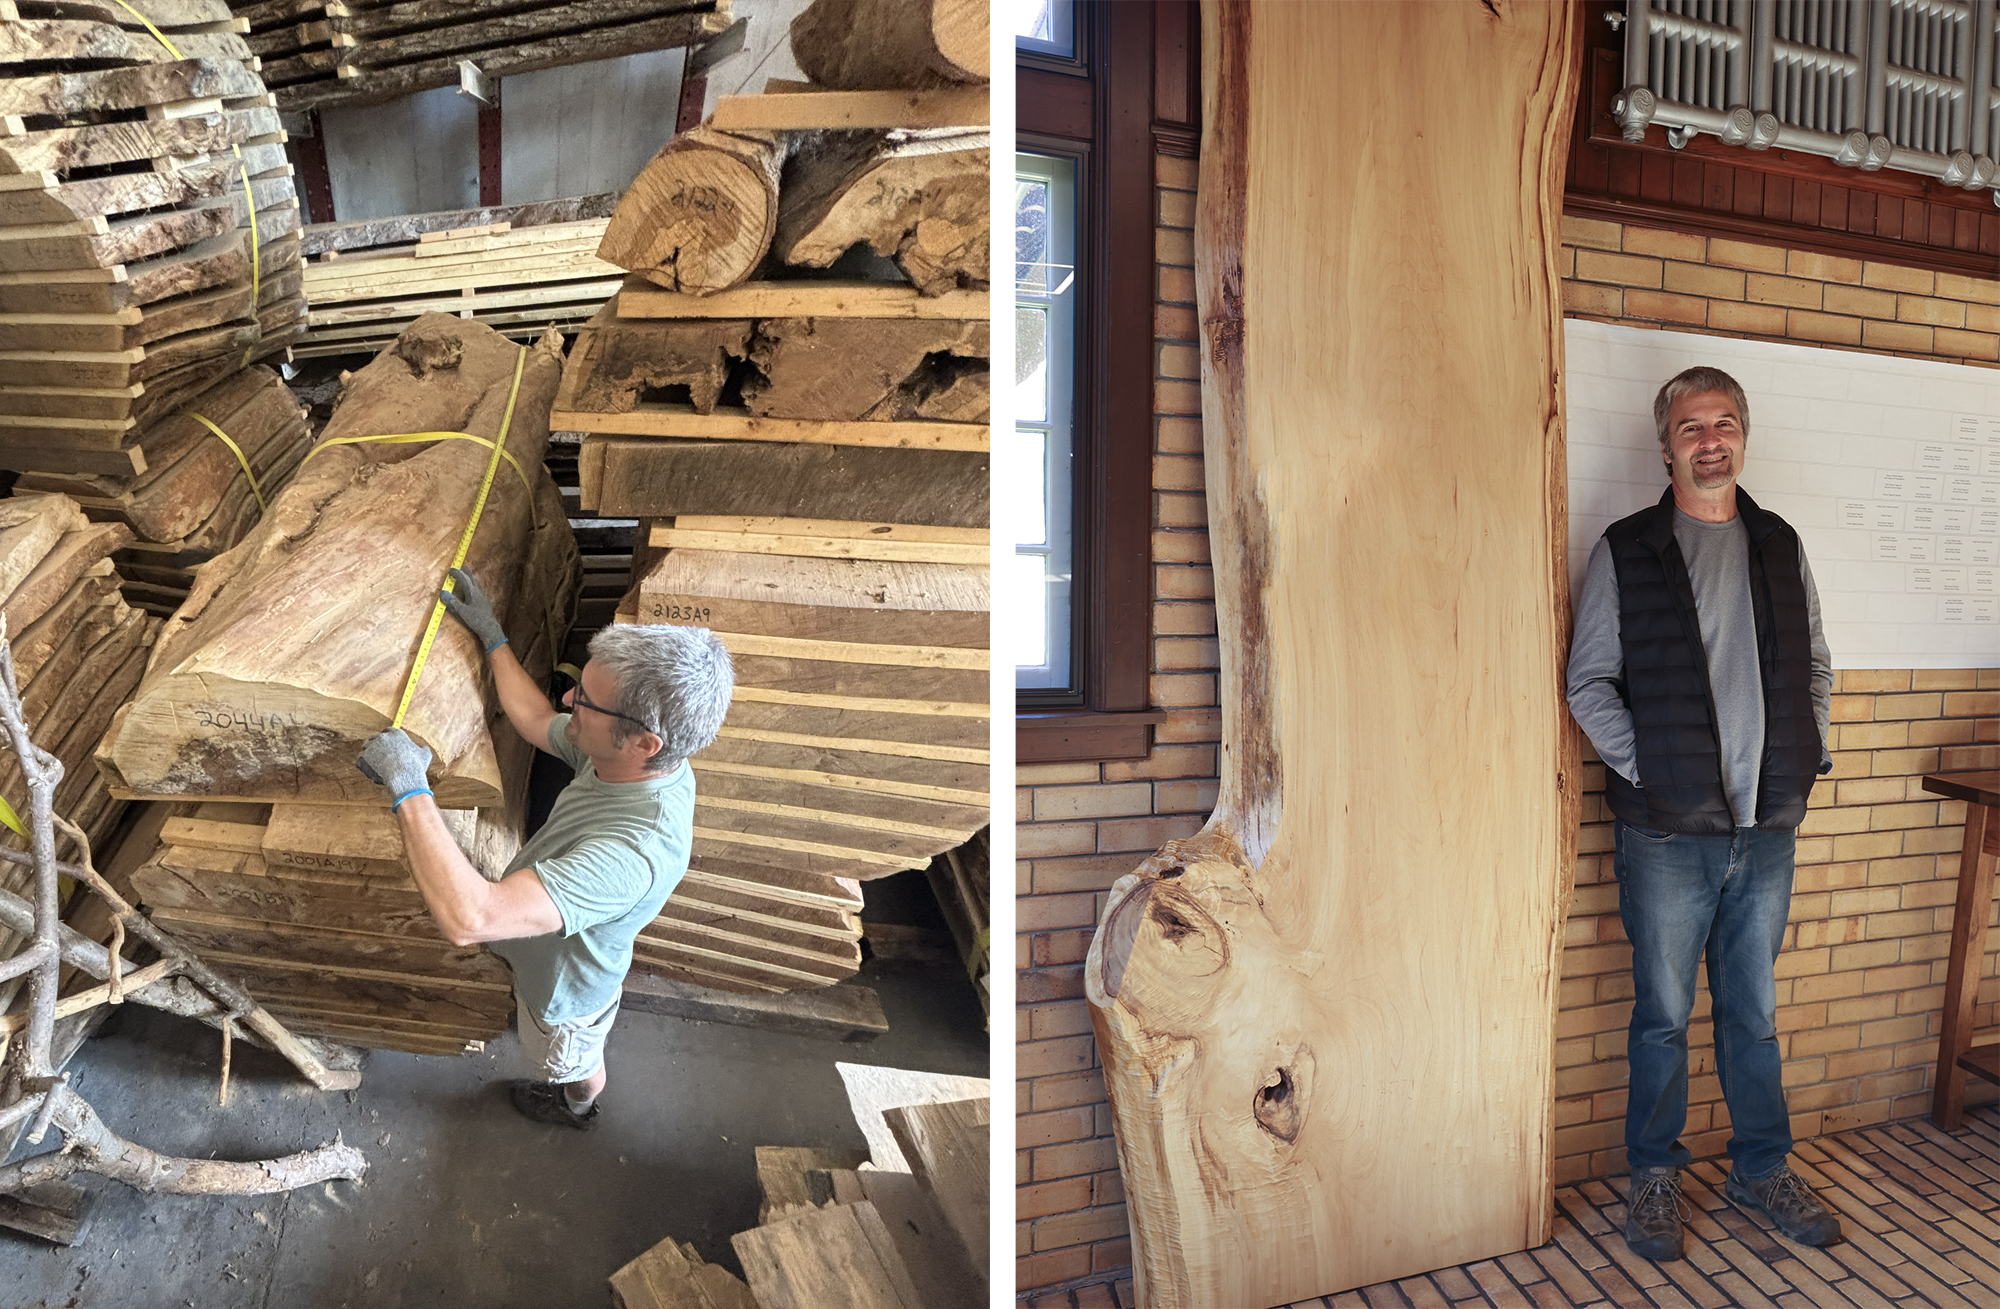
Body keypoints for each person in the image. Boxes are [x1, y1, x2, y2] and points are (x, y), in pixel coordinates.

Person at [1566, 366, 1840, 1260]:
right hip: (1665, 838)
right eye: (1692, 427)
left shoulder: (1779, 543)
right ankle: (1654, 1176)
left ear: (1742, 437)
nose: (1710, 440)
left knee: (1752, 1015)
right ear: (1666, 446)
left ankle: (1763, 1167)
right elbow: (1587, 682)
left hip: (1766, 832)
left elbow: (1816, 665)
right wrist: (1655, 772)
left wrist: (1804, 752)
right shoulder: (1628, 549)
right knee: (1661, 1016)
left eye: (1724, 423)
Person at [356, 566, 733, 1129]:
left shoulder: (632, 855)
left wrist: (409, 787)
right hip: (542, 946)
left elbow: (471, 918)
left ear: (644, 742)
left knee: (570, 1059)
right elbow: (536, 718)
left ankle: (576, 1106)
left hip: (563, 994)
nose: (570, 696)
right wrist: (493, 639)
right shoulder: (623, 759)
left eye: (588, 701)